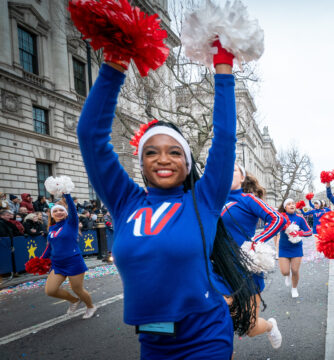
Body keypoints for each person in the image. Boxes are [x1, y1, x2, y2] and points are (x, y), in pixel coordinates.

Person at [76, 44, 257, 358]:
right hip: (153, 340)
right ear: (141, 161)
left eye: (175, 152)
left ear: (187, 164)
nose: (163, 159)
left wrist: (223, 67)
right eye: (152, 152)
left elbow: (225, 138)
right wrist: (116, 63)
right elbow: (91, 135)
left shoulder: (204, 200)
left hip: (206, 334)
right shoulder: (124, 202)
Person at [221, 163, 284, 348]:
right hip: (218, 270)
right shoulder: (210, 200)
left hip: (246, 269)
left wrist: (256, 242)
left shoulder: (247, 199)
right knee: (220, 319)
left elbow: (278, 218)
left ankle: (270, 325)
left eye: (233, 169)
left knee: (250, 327)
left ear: (242, 177)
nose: (226, 171)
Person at [41, 192, 96, 319]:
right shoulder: (52, 228)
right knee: (50, 290)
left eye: (61, 210)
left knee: (78, 289)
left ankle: (90, 306)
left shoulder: (71, 223)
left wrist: (67, 195)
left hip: (73, 261)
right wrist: (41, 261)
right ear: (52, 214)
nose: (59, 212)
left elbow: (72, 208)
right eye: (56, 211)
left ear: (66, 213)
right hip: (57, 264)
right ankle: (74, 301)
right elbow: (50, 246)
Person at [277, 198, 312, 298]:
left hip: (296, 248)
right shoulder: (281, 217)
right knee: (285, 271)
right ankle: (287, 276)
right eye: (289, 204)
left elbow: (309, 232)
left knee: (295, 270)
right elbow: (273, 228)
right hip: (283, 248)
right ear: (285, 207)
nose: (292, 205)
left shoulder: (300, 218)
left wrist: (299, 233)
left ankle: (294, 288)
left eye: (293, 203)